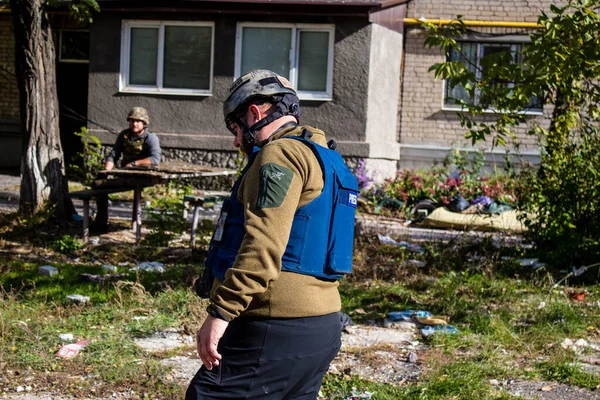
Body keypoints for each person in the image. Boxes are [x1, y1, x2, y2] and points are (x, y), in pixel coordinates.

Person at [186, 70, 359, 399]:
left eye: (236, 129)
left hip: (276, 325)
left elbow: (263, 247)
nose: (237, 142)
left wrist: (220, 313)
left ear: (254, 113)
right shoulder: (326, 159)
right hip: (324, 325)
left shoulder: (278, 155)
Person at [93, 107, 161, 231]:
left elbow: (155, 159)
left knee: (101, 184)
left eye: (138, 121)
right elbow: (113, 155)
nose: (134, 124)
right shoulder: (124, 135)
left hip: (143, 176)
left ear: (144, 123)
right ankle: (101, 223)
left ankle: (135, 226)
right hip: (126, 174)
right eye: (132, 121)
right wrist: (106, 172)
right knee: (99, 183)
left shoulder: (150, 138)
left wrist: (135, 163)